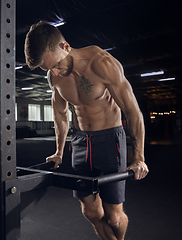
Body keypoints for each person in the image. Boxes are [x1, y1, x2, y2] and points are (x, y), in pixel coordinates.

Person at [25, 21, 149, 240]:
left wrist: (139, 157)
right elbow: (61, 115)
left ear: (65, 46)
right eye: (48, 69)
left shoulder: (101, 63)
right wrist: (59, 151)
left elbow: (133, 112)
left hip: (110, 140)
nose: (55, 72)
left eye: (56, 65)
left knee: (114, 218)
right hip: (81, 142)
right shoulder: (53, 76)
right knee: (91, 211)